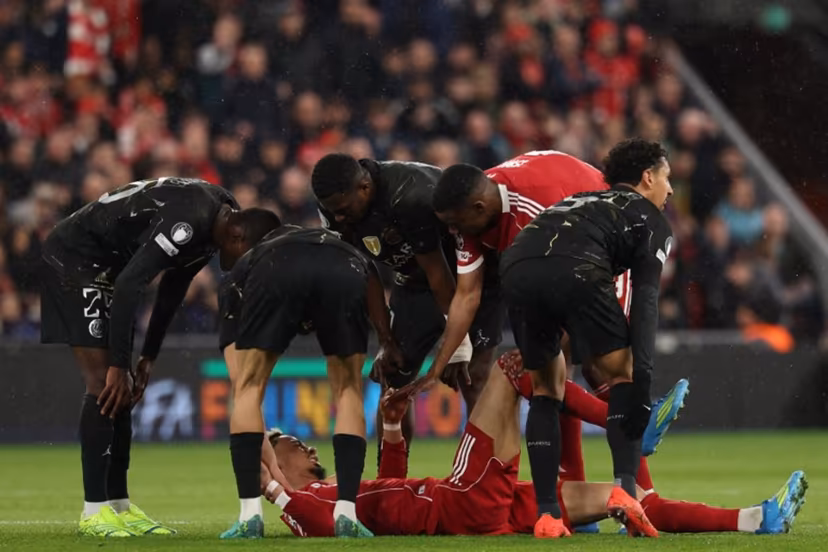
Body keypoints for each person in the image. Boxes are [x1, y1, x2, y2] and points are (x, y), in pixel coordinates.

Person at [257, 362, 807, 537]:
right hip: (460, 500)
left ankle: (756, 519)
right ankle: (626, 425)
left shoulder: (338, 495)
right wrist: (268, 481)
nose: (302, 443)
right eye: (286, 444)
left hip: (496, 511)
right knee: (515, 367)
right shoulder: (307, 509)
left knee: (631, 495)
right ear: (272, 467)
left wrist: (394, 430)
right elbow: (297, 502)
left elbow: (388, 486)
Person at [40, 177, 281, 537]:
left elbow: (172, 287)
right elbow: (129, 285)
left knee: (122, 389)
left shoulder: (218, 217)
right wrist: (120, 365)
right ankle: (94, 511)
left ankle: (119, 505)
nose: (245, 270)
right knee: (103, 382)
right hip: (76, 258)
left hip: (112, 268)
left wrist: (147, 356)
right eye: (250, 260)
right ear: (238, 237)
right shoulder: (189, 221)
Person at [499, 138, 674, 537]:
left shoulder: (581, 200)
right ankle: (625, 492)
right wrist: (641, 381)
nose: (670, 189)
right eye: (666, 178)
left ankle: (547, 515)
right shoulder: (649, 219)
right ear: (647, 178)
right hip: (576, 268)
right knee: (622, 372)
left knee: (546, 388)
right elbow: (645, 302)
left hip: (517, 265)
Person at [217, 224, 403, 539]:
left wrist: (274, 478)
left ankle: (250, 517)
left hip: (277, 270)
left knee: (249, 388)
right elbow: (371, 280)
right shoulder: (344, 247)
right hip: (342, 267)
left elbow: (242, 389)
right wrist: (386, 340)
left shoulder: (246, 266)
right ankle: (347, 514)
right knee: (348, 391)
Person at [311, 153, 503, 455]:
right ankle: (389, 483)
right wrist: (385, 339)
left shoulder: (410, 195)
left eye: (343, 210)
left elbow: (437, 271)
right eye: (332, 211)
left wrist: (459, 343)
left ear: (364, 187)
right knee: (393, 382)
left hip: (475, 278)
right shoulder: (334, 205)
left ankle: (489, 483)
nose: (338, 218)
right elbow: (363, 270)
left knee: (473, 377)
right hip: (414, 284)